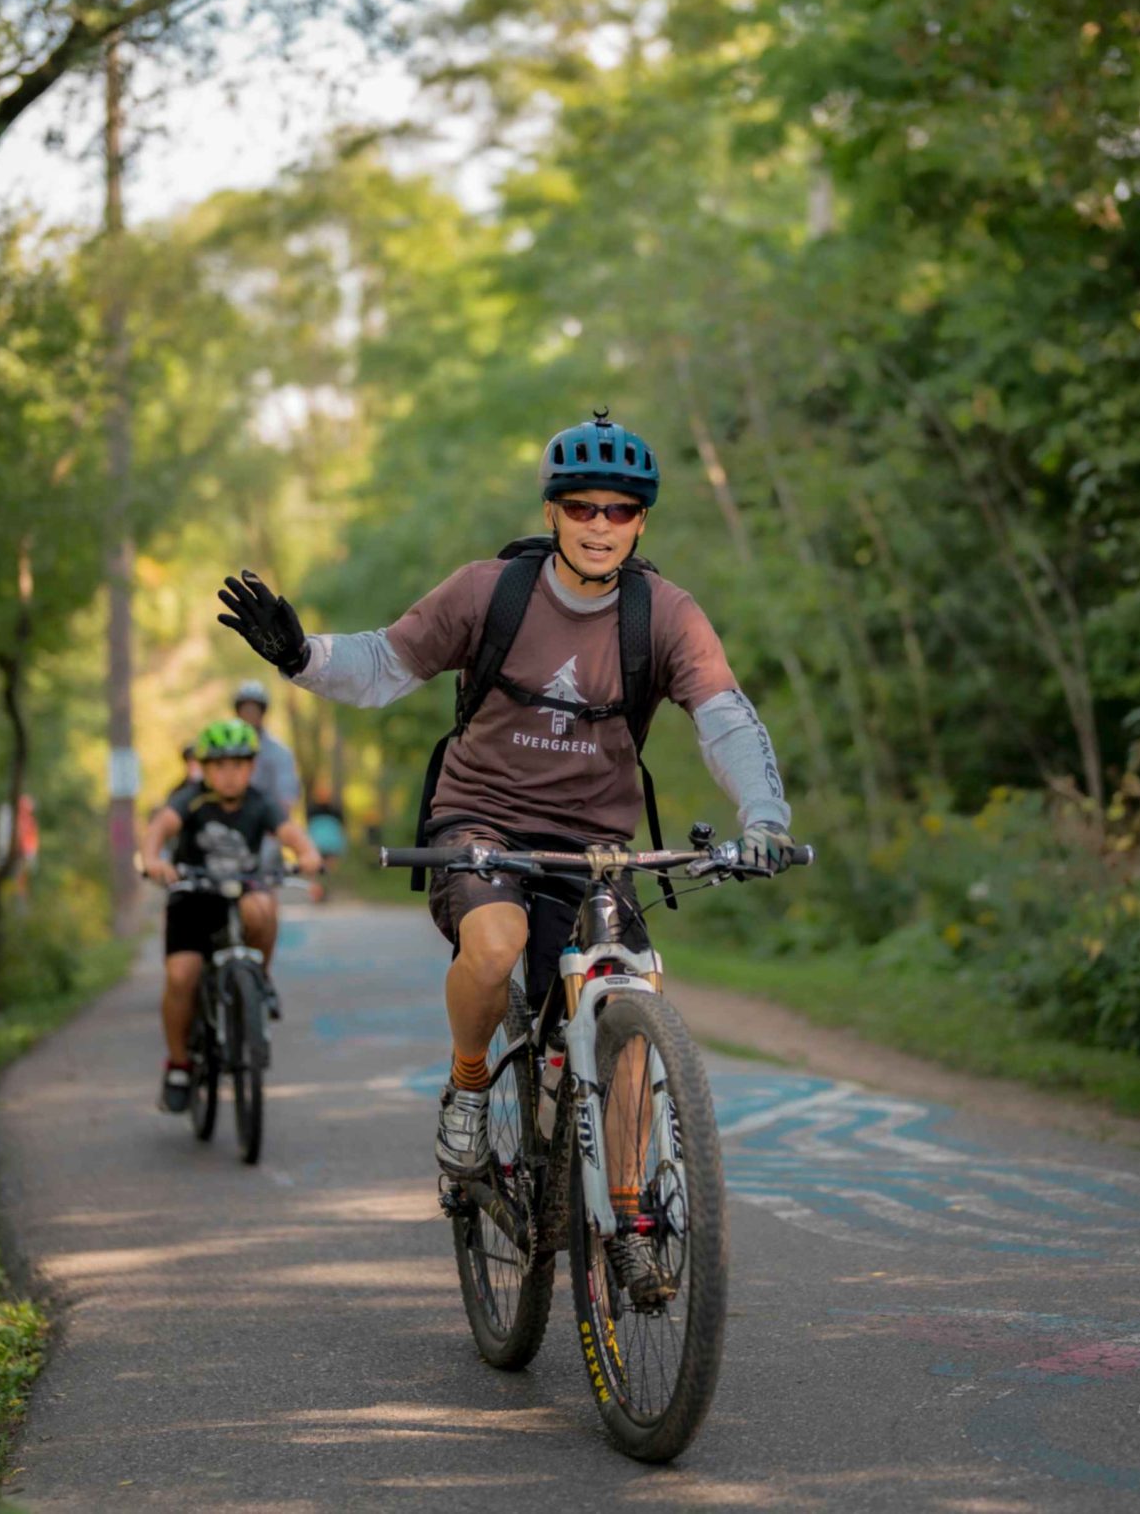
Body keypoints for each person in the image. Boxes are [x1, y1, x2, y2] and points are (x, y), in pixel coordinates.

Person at [218, 411, 794, 1289]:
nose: (600, 524)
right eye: (582, 507)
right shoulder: (491, 593)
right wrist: (300, 656)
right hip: (479, 818)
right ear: (554, 511)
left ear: (642, 521)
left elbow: (725, 720)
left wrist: (764, 819)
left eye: (620, 510)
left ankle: (630, 1213)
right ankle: (469, 1084)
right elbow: (383, 663)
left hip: (594, 845)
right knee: (496, 946)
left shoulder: (665, 614)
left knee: (630, 1011)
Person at [140, 718, 322, 1113]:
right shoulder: (189, 799)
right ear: (204, 769)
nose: (229, 774)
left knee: (263, 905)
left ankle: (259, 979)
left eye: (238, 764)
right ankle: (178, 1066)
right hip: (192, 897)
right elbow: (160, 828)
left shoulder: (261, 803)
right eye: (219, 765)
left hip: (240, 893)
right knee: (181, 976)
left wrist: (306, 854)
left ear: (252, 767)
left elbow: (290, 832)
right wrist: (154, 859)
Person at [232, 679, 304, 818]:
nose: (249, 715)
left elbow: (286, 798)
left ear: (262, 712)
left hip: (265, 828)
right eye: (245, 710)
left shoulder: (279, 754)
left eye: (254, 710)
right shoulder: (222, 751)